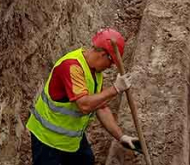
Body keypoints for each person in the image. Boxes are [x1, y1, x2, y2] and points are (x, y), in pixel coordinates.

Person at [27, 28, 141, 164]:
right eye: (111, 62)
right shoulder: (71, 67)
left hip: (70, 139)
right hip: (47, 140)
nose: (110, 67)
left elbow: (101, 107)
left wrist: (121, 137)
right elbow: (85, 105)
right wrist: (115, 89)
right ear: (103, 55)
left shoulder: (95, 73)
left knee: (86, 161)